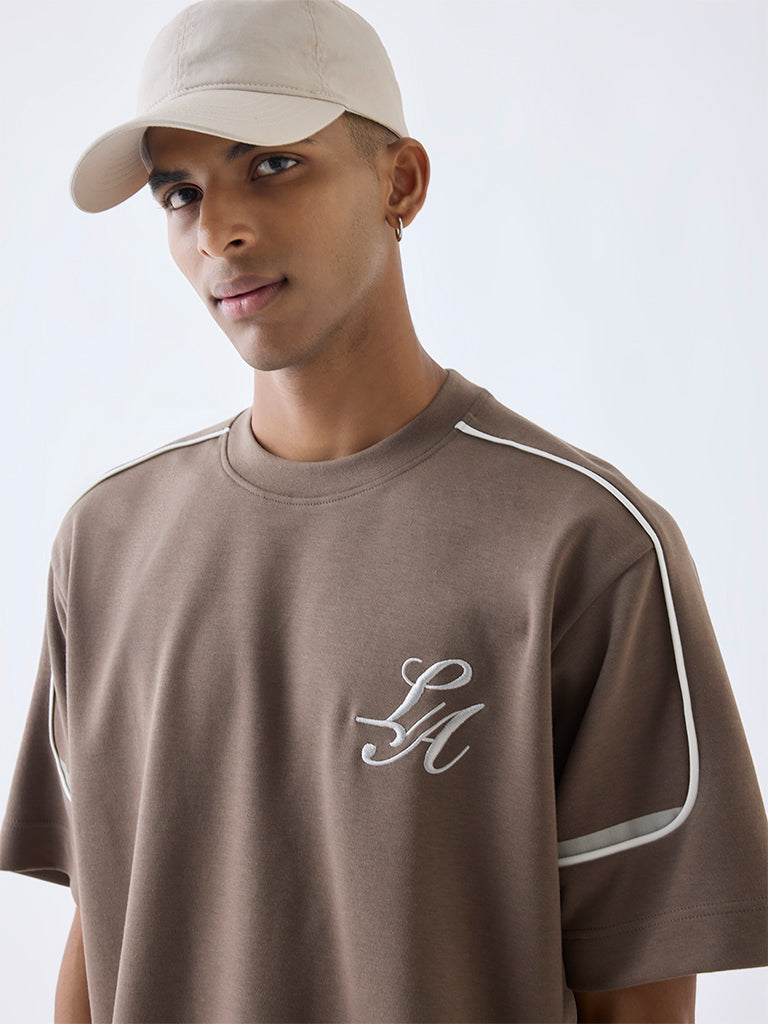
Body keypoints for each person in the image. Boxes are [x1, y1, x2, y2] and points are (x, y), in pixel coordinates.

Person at [1, 1, 765, 1021]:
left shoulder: (584, 548)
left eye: (272, 163)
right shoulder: (105, 543)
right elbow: (105, 929)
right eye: (180, 193)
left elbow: (638, 996)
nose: (220, 230)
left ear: (399, 182)